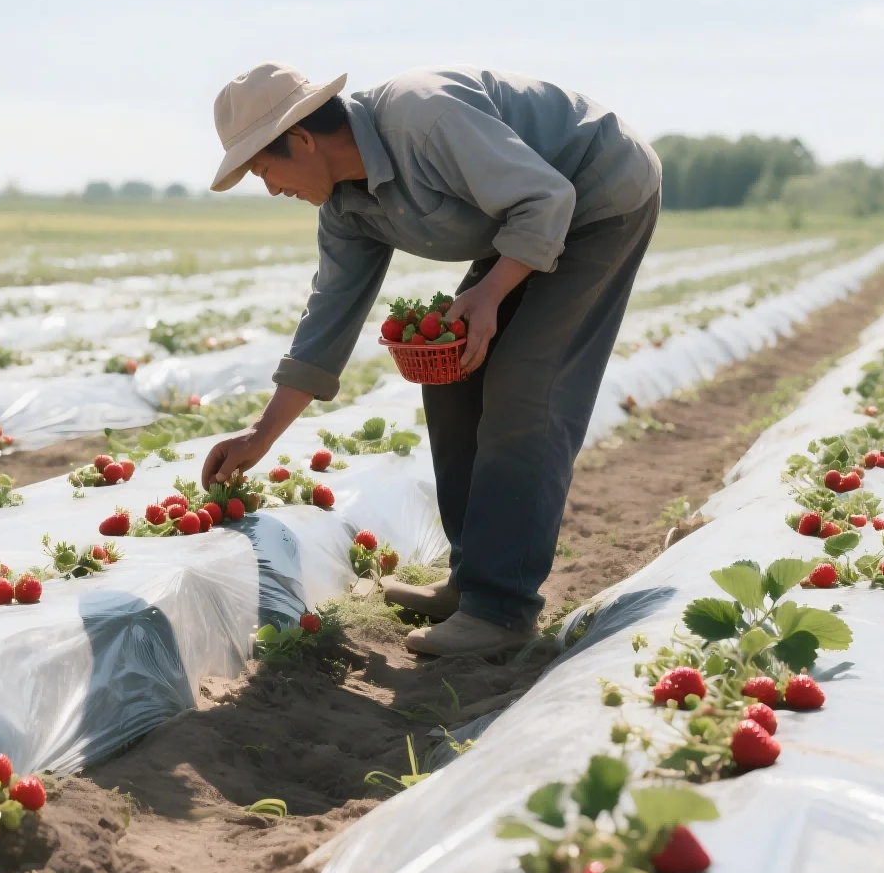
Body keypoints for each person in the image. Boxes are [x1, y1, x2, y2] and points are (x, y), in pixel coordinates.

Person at [200, 62, 661, 657]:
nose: (270, 188)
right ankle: (473, 584)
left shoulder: (424, 119)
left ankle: (501, 609)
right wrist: (261, 434)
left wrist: (489, 295)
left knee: (526, 388)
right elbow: (329, 318)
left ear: (303, 139)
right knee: (452, 373)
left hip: (599, 196)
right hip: (528, 221)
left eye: (265, 169)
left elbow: (549, 198)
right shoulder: (345, 208)